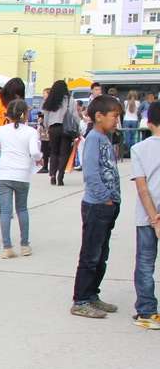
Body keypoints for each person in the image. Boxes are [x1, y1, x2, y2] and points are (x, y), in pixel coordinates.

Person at [71, 95, 123, 319]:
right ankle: (80, 299)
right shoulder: (93, 138)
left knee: (101, 254)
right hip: (97, 206)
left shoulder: (104, 138)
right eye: (114, 116)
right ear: (99, 116)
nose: (117, 121)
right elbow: (91, 173)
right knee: (91, 255)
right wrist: (105, 197)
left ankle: (92, 295)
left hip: (108, 206)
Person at [0, 99, 41, 259]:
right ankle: (25, 245)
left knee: (6, 211)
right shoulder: (31, 132)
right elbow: (35, 152)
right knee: (22, 209)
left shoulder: (1, 131)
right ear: (25, 114)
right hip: (22, 175)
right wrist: (39, 158)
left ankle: (7, 247)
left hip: (4, 174)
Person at [127, 102, 160, 330]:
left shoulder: (139, 149)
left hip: (146, 216)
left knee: (145, 263)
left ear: (149, 124)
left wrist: (154, 218)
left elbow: (142, 187)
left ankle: (147, 311)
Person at [0, 77, 26, 221]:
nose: (18, 97)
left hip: (13, 144)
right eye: (16, 94)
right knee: (2, 174)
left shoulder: (17, 105)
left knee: (6, 174)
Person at [42, 80, 78, 186]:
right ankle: (60, 175)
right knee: (64, 153)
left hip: (53, 128)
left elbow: (46, 116)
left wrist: (47, 127)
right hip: (66, 128)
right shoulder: (70, 100)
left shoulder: (50, 100)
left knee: (53, 152)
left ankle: (52, 174)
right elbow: (75, 116)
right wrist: (77, 129)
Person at [122, 90, 141, 157]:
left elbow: (124, 111)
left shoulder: (125, 102)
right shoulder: (138, 103)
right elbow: (138, 112)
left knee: (127, 137)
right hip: (134, 120)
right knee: (133, 137)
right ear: (136, 96)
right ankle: (132, 152)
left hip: (126, 120)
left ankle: (128, 152)